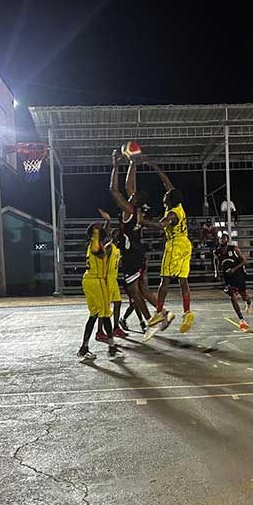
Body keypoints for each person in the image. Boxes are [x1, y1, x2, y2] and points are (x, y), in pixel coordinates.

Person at [140, 154, 195, 340]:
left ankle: (159, 312)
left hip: (176, 245)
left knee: (165, 280)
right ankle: (187, 313)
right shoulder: (178, 205)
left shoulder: (172, 213)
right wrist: (154, 166)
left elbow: (161, 225)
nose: (164, 195)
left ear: (169, 200)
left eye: (165, 196)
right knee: (183, 281)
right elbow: (166, 182)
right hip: (186, 244)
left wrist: (142, 221)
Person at [108, 150, 158, 334]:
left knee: (134, 292)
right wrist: (133, 163)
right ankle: (153, 318)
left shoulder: (129, 209)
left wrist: (115, 164)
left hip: (131, 254)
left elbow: (114, 190)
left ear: (135, 200)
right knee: (140, 290)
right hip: (138, 252)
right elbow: (130, 186)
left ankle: (157, 317)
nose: (130, 194)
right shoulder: (137, 210)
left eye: (133, 195)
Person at [78, 222, 125, 361]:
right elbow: (98, 249)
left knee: (94, 315)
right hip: (97, 282)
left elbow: (104, 237)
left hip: (88, 281)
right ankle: (111, 347)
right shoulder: (95, 245)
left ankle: (84, 347)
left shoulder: (94, 243)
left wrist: (108, 222)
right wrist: (101, 230)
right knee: (105, 315)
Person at [94, 213, 128, 340]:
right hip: (106, 279)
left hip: (113, 279)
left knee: (118, 303)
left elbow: (117, 264)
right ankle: (99, 331)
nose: (119, 236)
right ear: (113, 237)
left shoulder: (118, 250)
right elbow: (100, 257)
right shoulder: (109, 247)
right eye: (117, 234)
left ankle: (115, 328)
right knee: (105, 307)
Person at [214, 233, 253, 330]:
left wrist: (234, 269)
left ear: (227, 240)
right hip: (228, 277)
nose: (222, 240)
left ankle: (248, 303)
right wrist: (216, 272)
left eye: (224, 238)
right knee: (233, 296)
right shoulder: (216, 252)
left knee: (244, 295)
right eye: (221, 238)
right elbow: (216, 261)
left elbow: (244, 261)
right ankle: (241, 320)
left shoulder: (234, 249)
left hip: (238, 274)